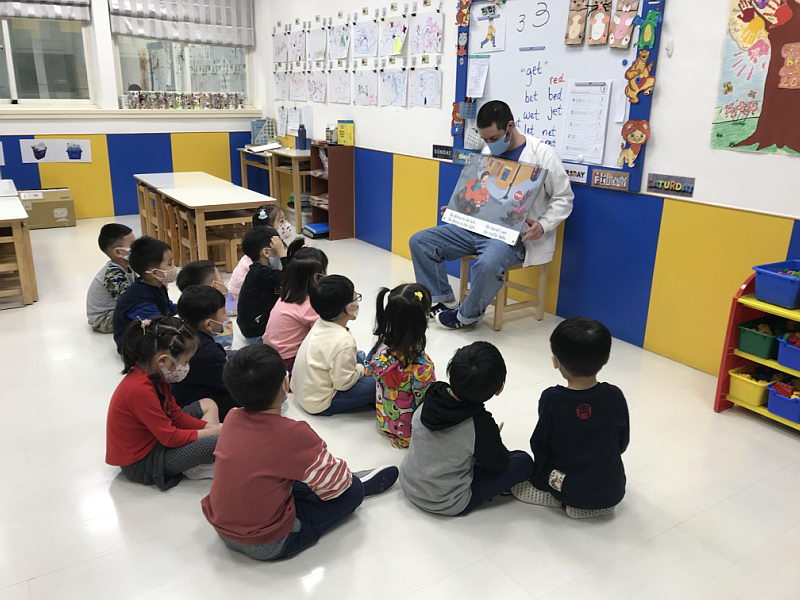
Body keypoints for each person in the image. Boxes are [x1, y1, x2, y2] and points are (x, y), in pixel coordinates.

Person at [201, 344, 399, 561]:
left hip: (222, 528)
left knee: (285, 472)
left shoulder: (232, 417)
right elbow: (338, 487)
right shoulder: (293, 434)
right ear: (285, 384)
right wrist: (344, 479)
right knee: (352, 492)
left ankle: (330, 477)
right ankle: (357, 481)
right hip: (268, 542)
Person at [409, 100, 574, 329]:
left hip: (514, 237)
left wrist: (543, 225)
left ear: (510, 126)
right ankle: (441, 299)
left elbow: (564, 198)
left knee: (488, 263)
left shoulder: (543, 154)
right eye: (485, 139)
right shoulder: (487, 151)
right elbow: (483, 190)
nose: (489, 144)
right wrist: (461, 208)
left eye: (494, 138)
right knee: (421, 242)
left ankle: (466, 316)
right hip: (478, 227)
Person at [512, 317, 630, 519]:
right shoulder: (614, 395)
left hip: (570, 487)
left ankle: (558, 496)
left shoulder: (552, 398)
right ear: (606, 359)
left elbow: (540, 443)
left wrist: (540, 475)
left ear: (555, 362)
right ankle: (594, 502)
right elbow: (622, 441)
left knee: (534, 466)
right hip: (613, 489)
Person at [400, 341, 534, 516]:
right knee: (523, 461)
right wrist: (490, 438)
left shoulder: (433, 393)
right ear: (499, 389)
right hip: (446, 501)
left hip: (409, 481)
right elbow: (497, 465)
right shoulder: (479, 423)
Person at [105, 316, 221, 490]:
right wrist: (214, 432)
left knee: (208, 404)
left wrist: (212, 428)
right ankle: (196, 464)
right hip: (144, 463)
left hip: (156, 439)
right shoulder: (140, 389)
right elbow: (170, 437)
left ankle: (198, 458)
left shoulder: (155, 375)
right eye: (185, 361)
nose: (186, 367)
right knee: (216, 441)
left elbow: (176, 416)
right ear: (163, 360)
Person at [292, 275, 375, 416]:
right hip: (319, 403)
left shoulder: (321, 322)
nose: (357, 301)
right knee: (376, 383)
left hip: (304, 392)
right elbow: (343, 384)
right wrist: (361, 369)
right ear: (349, 308)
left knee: (358, 355)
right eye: (356, 297)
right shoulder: (344, 341)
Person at [366, 284, 436, 449]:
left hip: (383, 420)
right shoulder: (422, 367)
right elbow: (425, 403)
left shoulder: (379, 350)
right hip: (408, 433)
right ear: (425, 318)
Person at [174, 285, 238, 421]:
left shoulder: (181, 332)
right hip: (192, 403)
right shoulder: (209, 353)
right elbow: (229, 384)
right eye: (223, 312)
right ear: (209, 324)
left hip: (180, 393)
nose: (226, 316)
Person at [263, 246, 328, 370]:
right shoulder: (309, 305)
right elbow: (323, 335)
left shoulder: (288, 293)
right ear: (316, 277)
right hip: (288, 360)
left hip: (270, 352)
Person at [112, 236, 178, 349]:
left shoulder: (157, 285)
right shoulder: (139, 298)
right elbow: (157, 325)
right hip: (133, 346)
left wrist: (187, 307)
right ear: (155, 273)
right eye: (170, 263)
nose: (174, 267)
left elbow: (167, 307)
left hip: (150, 331)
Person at [228, 205, 300, 303]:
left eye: (286, 219)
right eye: (281, 221)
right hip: (242, 298)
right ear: (267, 229)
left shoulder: (265, 246)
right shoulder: (263, 257)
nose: (286, 224)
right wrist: (282, 253)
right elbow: (286, 276)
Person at [236, 226, 288, 345]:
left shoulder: (259, 270)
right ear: (266, 252)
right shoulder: (260, 273)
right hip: (257, 335)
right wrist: (282, 254)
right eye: (279, 247)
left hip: (253, 328)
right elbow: (289, 277)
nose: (282, 250)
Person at [86, 223, 136, 333]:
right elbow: (129, 302)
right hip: (104, 320)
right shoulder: (112, 274)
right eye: (133, 245)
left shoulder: (128, 266)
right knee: (143, 314)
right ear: (118, 252)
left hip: (115, 309)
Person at [176, 260, 233, 348]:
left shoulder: (189, 312)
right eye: (221, 278)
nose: (223, 282)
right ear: (214, 286)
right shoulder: (215, 317)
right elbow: (225, 345)